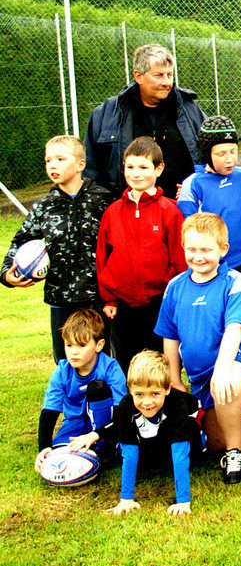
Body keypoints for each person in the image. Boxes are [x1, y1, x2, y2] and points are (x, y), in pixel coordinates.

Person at [155, 213, 241, 483]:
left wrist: (222, 370)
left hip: (237, 364)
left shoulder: (236, 282)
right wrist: (174, 380)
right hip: (200, 377)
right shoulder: (175, 287)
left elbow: (234, 331)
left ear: (223, 249)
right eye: (191, 249)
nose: (198, 256)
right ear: (183, 247)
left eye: (206, 250)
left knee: (228, 381)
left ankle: (235, 456)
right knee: (214, 441)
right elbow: (170, 338)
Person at [2, 135, 115, 363]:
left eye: (60, 159)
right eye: (48, 160)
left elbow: (117, 243)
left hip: (98, 297)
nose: (52, 165)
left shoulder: (102, 200)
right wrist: (6, 273)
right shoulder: (44, 206)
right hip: (60, 298)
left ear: (80, 164)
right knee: (67, 360)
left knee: (100, 359)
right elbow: (22, 240)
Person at [96, 137, 187, 373]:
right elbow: (103, 257)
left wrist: (172, 293)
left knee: (159, 361)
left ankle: (165, 394)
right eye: (130, 167)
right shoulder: (112, 213)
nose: (136, 174)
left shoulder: (169, 211)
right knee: (126, 361)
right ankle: (129, 397)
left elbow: (180, 259)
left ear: (159, 169)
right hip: (123, 303)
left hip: (159, 301)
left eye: (144, 167)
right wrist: (109, 298)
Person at [85, 44, 204, 194]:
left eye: (169, 75)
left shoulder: (189, 110)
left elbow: (214, 156)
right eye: (158, 75)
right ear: (138, 76)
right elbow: (89, 170)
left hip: (181, 205)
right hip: (126, 205)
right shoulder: (106, 114)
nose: (166, 82)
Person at [109, 350, 203, 516]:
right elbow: (129, 451)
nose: (147, 402)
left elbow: (180, 452)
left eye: (154, 394)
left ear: (167, 389)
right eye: (139, 394)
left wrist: (183, 501)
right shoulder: (125, 406)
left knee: (191, 443)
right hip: (152, 439)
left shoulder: (176, 403)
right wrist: (126, 499)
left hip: (183, 436)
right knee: (129, 452)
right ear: (129, 389)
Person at [34, 309, 127, 475]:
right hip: (74, 424)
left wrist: (95, 435)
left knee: (97, 388)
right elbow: (49, 411)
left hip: (106, 426)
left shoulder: (110, 368)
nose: (74, 352)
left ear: (99, 345)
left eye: (82, 345)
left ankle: (107, 447)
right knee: (59, 457)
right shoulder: (62, 371)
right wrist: (44, 447)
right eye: (69, 345)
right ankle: (87, 447)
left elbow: (122, 413)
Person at [178, 116, 241, 276]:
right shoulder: (193, 184)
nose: (230, 159)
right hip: (211, 266)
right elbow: (187, 230)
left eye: (233, 151)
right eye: (221, 154)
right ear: (207, 154)